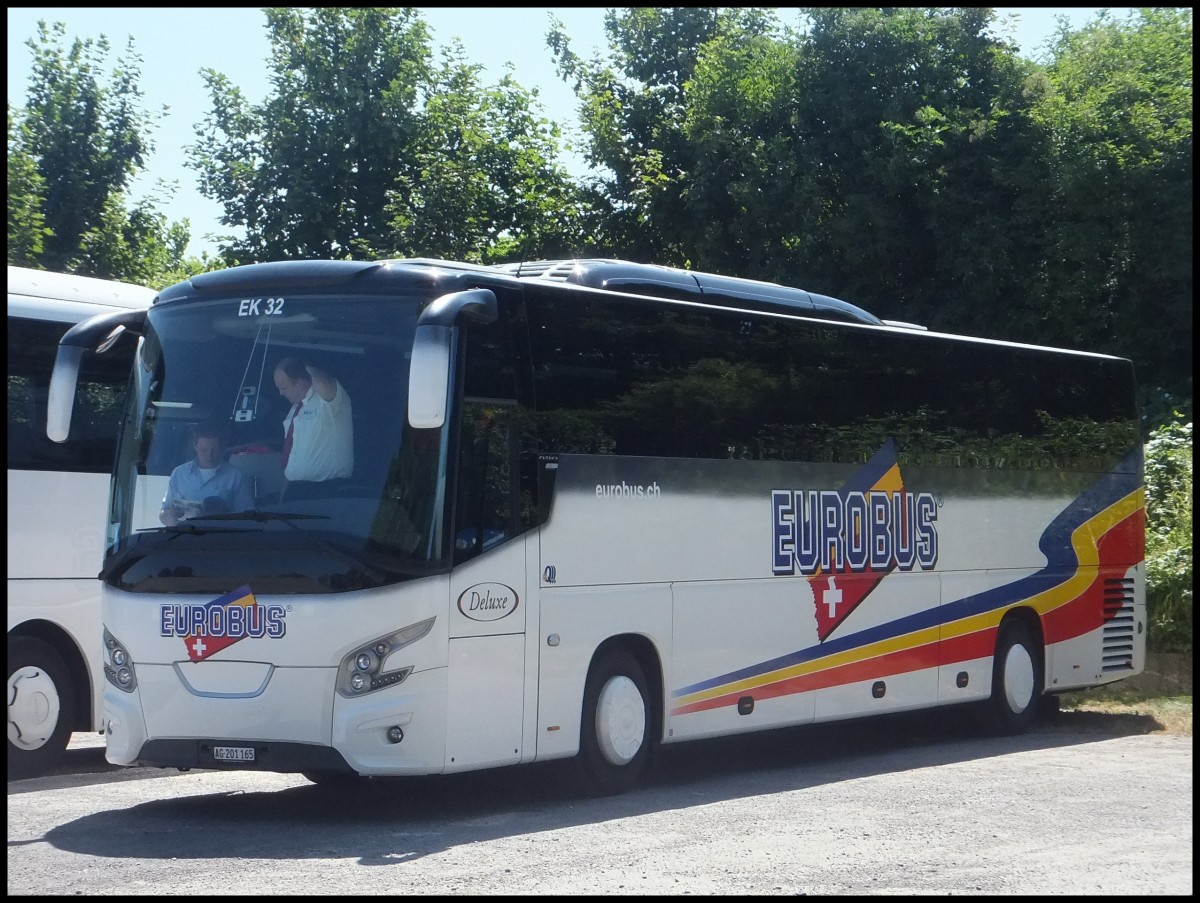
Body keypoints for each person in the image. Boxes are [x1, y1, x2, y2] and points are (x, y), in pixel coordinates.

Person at [273, 356, 354, 495]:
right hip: (295, 488)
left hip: (327, 490)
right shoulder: (295, 408)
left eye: (284, 388)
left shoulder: (328, 401)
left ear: (300, 383)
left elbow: (325, 385)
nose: (280, 393)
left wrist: (304, 365)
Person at [159, 423, 254, 525]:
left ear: (221, 447)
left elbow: (246, 515)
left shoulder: (235, 475)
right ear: (195, 446)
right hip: (185, 535)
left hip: (221, 535)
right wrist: (172, 516)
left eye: (214, 450)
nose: (209, 455)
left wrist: (223, 513)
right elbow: (163, 514)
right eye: (204, 450)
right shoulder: (179, 473)